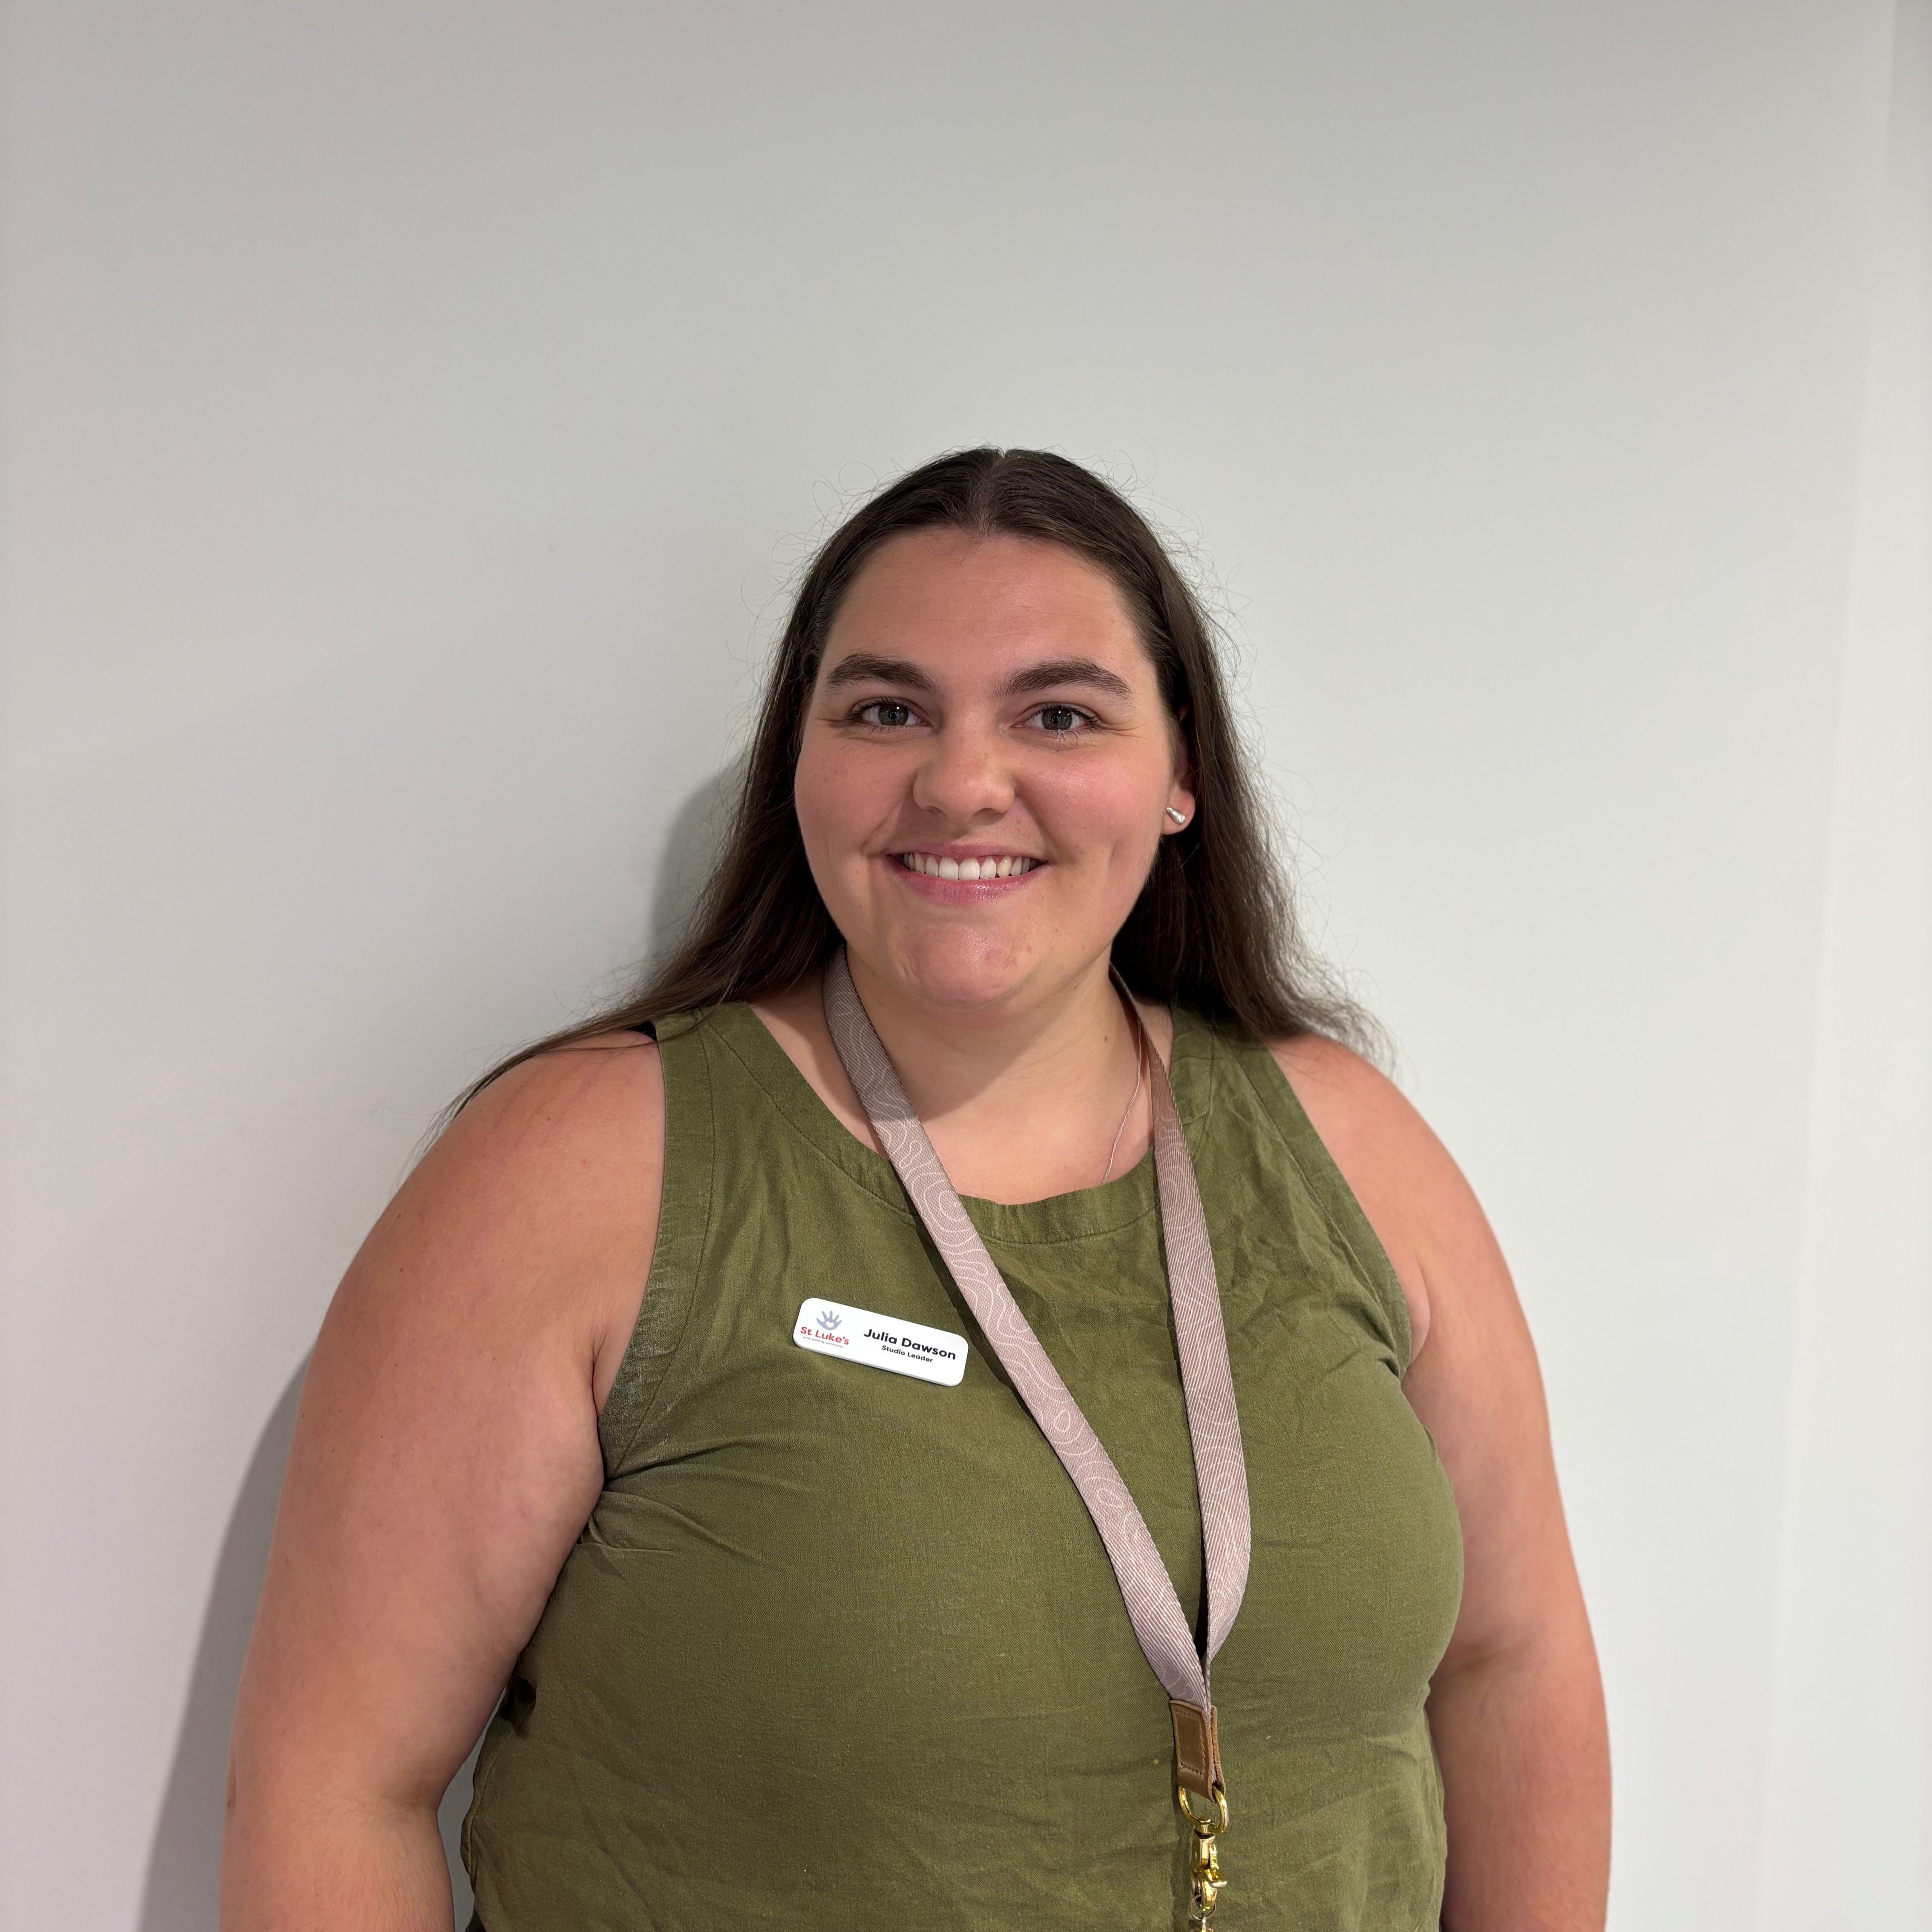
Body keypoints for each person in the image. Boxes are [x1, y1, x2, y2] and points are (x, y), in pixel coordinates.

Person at [221, 447, 1610, 1931]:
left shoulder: (1346, 1143)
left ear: (1180, 775)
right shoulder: (583, 1169)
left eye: (1058, 713)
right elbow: (335, 1788)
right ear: (799, 764)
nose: (959, 781)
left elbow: (1510, 1662)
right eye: (886, 709)